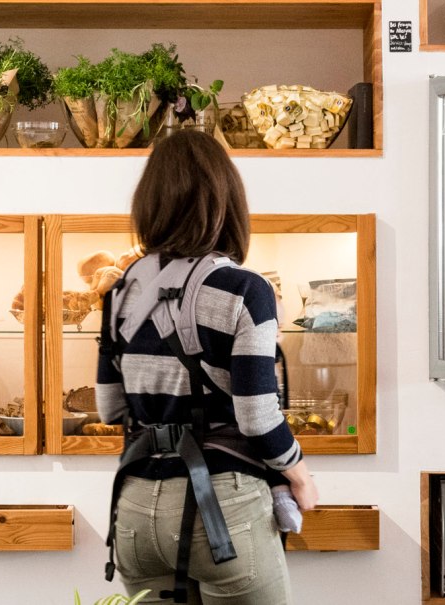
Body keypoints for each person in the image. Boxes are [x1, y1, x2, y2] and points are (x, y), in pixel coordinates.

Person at [98, 130, 318, 604]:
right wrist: (298, 473)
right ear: (226, 202)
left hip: (135, 506)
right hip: (220, 510)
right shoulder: (245, 289)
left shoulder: (119, 294)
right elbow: (258, 418)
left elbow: (110, 408)